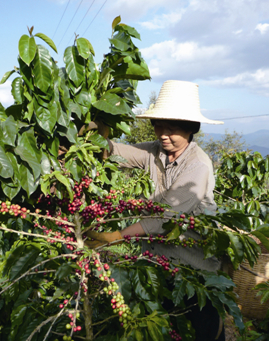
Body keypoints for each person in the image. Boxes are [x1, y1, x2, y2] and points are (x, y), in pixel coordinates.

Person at [86, 80, 226, 340]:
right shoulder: (154, 151)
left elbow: (163, 218)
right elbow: (117, 153)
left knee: (202, 330)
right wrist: (95, 138)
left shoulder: (199, 166)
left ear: (190, 129)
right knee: (166, 328)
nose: (163, 134)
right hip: (157, 264)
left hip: (194, 271)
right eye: (158, 125)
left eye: (171, 128)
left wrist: (114, 237)